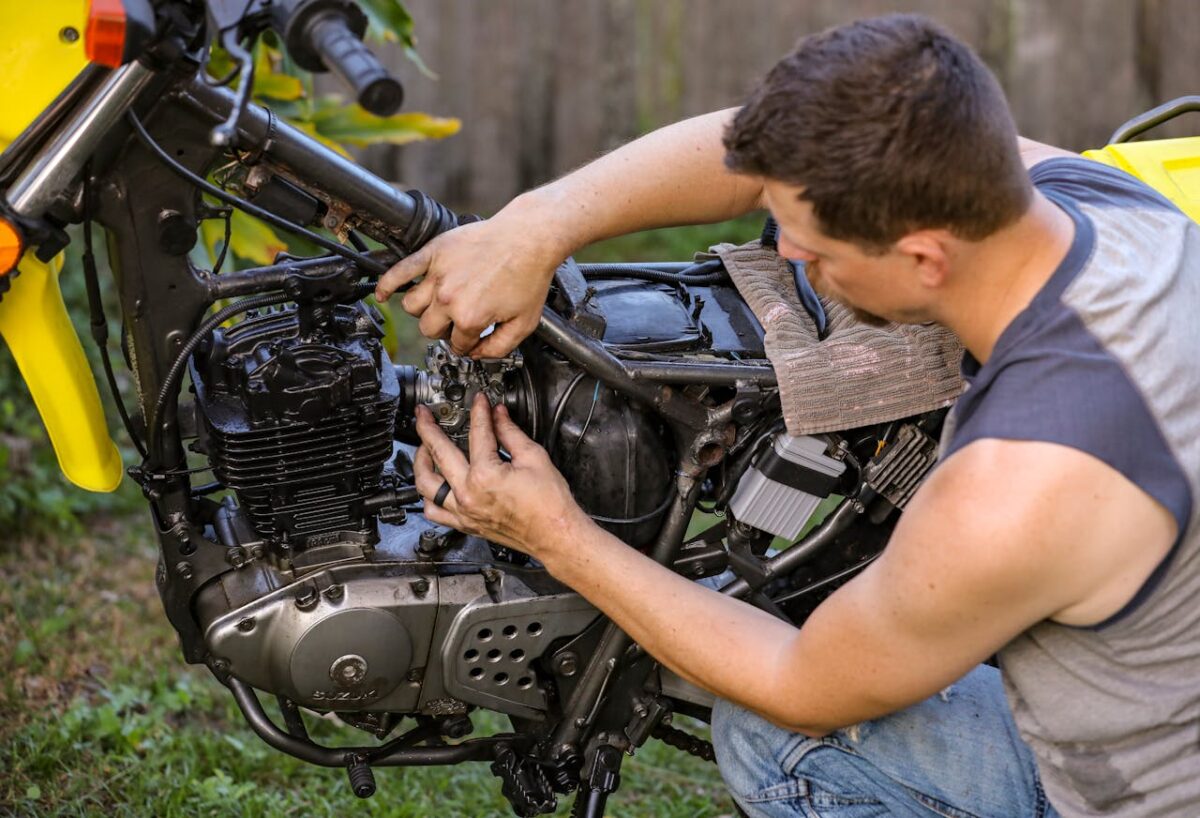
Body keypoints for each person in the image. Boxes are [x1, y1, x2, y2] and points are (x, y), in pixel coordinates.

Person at [375, 14, 1200, 818]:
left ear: (922, 257)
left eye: (816, 253)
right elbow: (751, 147)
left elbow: (803, 686)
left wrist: (557, 536)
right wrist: (535, 226)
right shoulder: (1110, 207)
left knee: (777, 738)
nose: (786, 257)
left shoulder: (1020, 480)